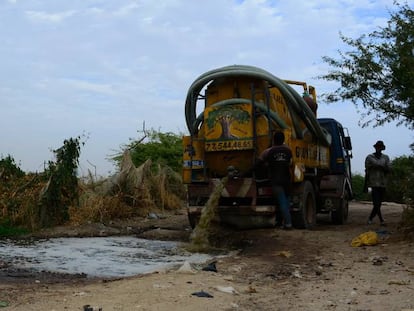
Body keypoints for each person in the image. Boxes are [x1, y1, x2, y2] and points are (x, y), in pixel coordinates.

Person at [257, 131, 293, 229]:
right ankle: (286, 223)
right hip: (287, 180)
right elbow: (290, 164)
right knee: (287, 202)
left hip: (276, 180)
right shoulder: (288, 151)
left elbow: (258, 162)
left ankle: (288, 224)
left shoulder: (268, 151)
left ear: (273, 140)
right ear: (283, 140)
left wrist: (266, 165)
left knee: (282, 202)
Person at [365, 140, 391, 226]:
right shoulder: (369, 157)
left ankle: (371, 218)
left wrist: (381, 167)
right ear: (375, 147)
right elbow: (367, 168)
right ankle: (381, 220)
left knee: (378, 204)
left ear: (382, 148)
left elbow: (389, 169)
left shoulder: (386, 157)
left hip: (383, 183)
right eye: (377, 147)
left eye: (380, 147)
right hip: (373, 183)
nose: (379, 148)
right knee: (376, 203)